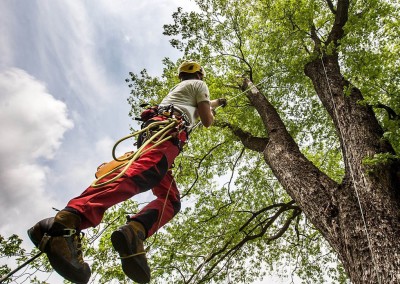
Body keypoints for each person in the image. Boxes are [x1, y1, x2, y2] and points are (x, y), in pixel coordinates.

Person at [27, 60, 227, 284]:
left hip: (161, 131)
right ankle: (68, 221)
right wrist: (213, 113)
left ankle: (134, 231)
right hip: (168, 131)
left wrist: (219, 102)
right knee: (144, 172)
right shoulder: (199, 86)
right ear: (199, 74)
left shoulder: (183, 90)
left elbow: (204, 107)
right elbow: (206, 119)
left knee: (171, 200)